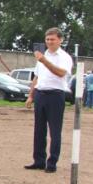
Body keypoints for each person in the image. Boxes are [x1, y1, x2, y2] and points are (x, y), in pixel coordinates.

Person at [24, 27, 73, 173]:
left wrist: (44, 61)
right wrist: (31, 95)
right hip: (41, 94)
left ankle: (52, 163)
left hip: (55, 95)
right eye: (47, 39)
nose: (50, 42)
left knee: (55, 131)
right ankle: (38, 160)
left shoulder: (64, 57)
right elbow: (37, 77)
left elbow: (61, 73)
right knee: (39, 130)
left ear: (60, 40)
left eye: (52, 39)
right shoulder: (42, 55)